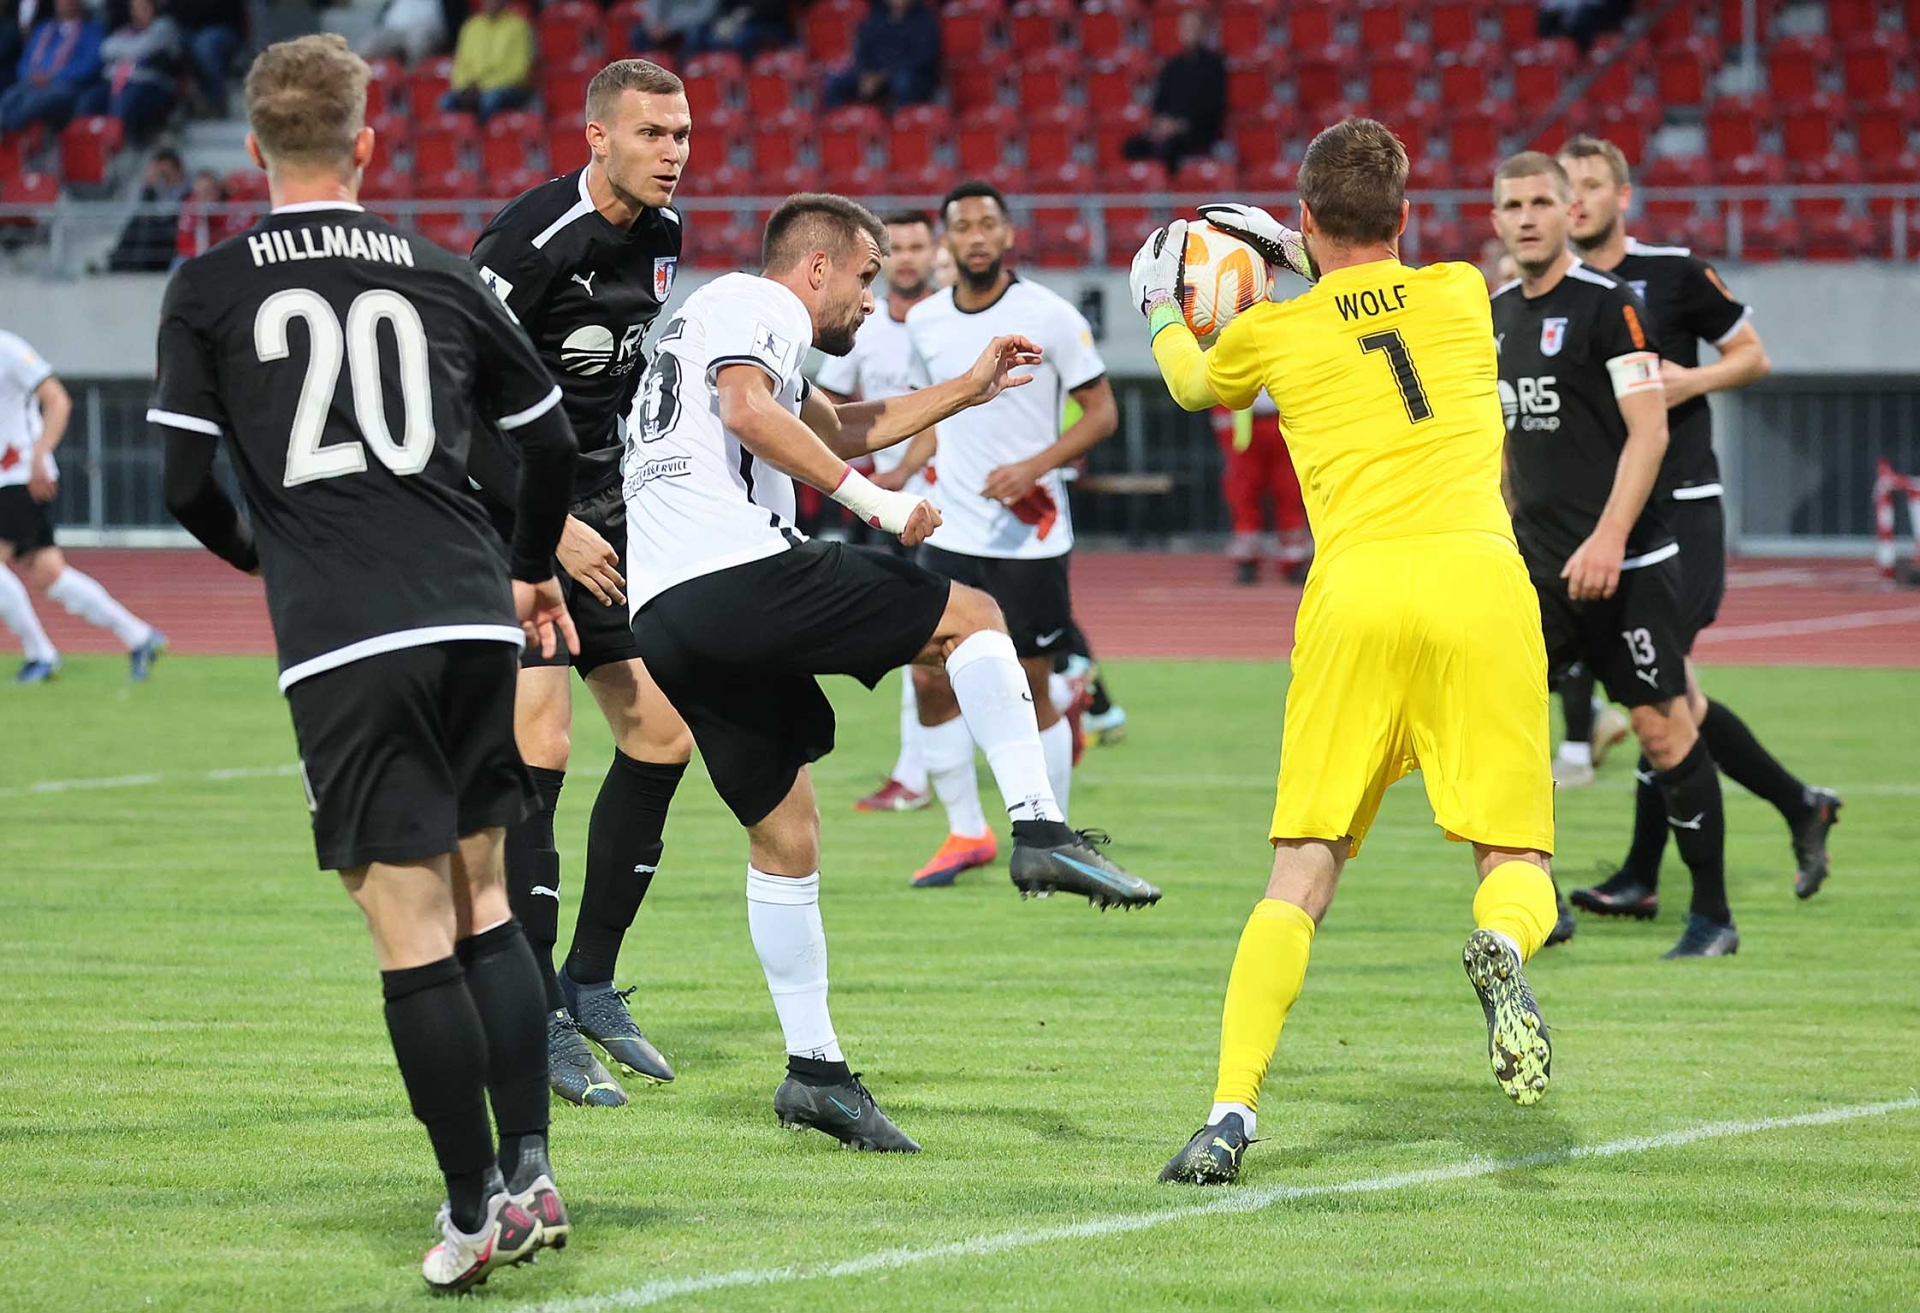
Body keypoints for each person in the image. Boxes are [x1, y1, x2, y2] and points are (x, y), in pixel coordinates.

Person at [148, 34, 580, 1294]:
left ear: (254, 150)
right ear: (369, 144)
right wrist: (530, 560)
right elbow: (544, 437)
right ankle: (533, 1167)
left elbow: (184, 480)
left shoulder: (210, 286)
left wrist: (269, 556)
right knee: (485, 896)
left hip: (349, 628)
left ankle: (469, 1208)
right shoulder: (443, 269)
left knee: (404, 925)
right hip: (468, 613)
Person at [620, 192, 1160, 1150]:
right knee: (973, 616)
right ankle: (1039, 827)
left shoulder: (716, 319)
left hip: (666, 614)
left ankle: (815, 1072)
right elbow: (751, 411)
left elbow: (837, 422)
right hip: (734, 570)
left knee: (787, 835)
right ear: (817, 267)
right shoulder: (763, 302)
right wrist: (874, 505)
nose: (874, 302)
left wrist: (967, 387)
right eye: (866, 278)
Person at [1134, 117, 1559, 1185]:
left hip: (1357, 592)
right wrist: (1300, 242)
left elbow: (1193, 387)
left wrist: (1158, 307)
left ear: (1311, 216)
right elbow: (1374, 279)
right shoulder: (1463, 289)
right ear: (1407, 216)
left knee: (1300, 872)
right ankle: (1503, 950)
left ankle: (1230, 1111)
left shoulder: (1274, 331)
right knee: (1515, 863)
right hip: (1478, 579)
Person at [464, 57, 693, 1107]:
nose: (674, 153)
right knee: (542, 743)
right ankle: (539, 1017)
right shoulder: (527, 240)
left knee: (659, 734)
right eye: (653, 134)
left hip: (604, 524)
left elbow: (614, 393)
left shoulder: (661, 238)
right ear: (596, 135)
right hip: (513, 528)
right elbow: (457, 398)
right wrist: (545, 526)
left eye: (683, 134)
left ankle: (588, 978)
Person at [1555, 134, 1842, 908]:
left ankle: (1647, 878)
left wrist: (1686, 381)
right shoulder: (1561, 292)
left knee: (1662, 698)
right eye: (1564, 186)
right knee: (1672, 698)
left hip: (1683, 508)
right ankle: (1798, 804)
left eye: (1589, 184)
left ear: (1623, 197)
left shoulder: (1672, 274)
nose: (1575, 198)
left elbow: (1753, 355)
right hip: (1616, 516)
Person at [1491, 151, 1738, 961]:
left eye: (1539, 202)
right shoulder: (1492, 315)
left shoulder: (1611, 305)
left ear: (1570, 212)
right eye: (1510, 204)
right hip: (1537, 572)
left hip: (1628, 566)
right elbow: (1501, 442)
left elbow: (1650, 429)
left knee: (1661, 729)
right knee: (1508, 734)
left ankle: (1712, 916)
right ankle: (1540, 901)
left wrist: (1606, 538)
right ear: (1495, 219)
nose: (1525, 216)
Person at [902, 180, 1121, 888]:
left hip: (1031, 538)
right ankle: (967, 831)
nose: (973, 235)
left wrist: (1035, 465)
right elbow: (926, 412)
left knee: (1031, 688)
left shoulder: (1049, 316)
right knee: (930, 682)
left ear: (1006, 236)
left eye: (986, 223)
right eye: (960, 224)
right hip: (953, 529)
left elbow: (1101, 413)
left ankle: (1047, 832)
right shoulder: (926, 321)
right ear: (947, 240)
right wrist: (897, 479)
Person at [813, 207, 941, 815]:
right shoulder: (862, 326)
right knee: (926, 635)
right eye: (901, 248)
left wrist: (897, 475)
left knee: (949, 632)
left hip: (940, 498)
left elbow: (944, 413)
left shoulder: (949, 324)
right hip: (890, 504)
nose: (911, 258)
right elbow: (827, 408)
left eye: (920, 245)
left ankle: (1074, 692)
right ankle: (916, 773)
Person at [0, 328, 165, 683]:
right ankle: (139, 636)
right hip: (9, 479)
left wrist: (40, 455)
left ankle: (41, 655)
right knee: (48, 573)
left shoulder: (8, 349)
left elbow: (57, 399)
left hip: (19, 476)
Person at [1213, 393, 1310, 585]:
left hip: (1283, 422)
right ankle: (1247, 560)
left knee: (1289, 492)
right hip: (1246, 426)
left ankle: (1293, 559)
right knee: (1244, 495)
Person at [1121, 9, 1225, 174]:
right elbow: (1159, 101)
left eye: (1193, 27)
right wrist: (1161, 124)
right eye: (1185, 28)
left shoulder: (1214, 65)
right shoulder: (1172, 65)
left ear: (1204, 31)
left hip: (1197, 129)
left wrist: (1180, 125)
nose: (1188, 32)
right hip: (1168, 128)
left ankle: (1169, 193)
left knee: (1168, 149)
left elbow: (1213, 104)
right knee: (1132, 146)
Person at [0, 0, 102, 135]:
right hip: (33, 81)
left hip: (65, 84)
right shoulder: (43, 28)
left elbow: (90, 64)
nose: (65, 3)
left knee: (34, 102)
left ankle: (8, 130)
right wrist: (30, 75)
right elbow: (25, 60)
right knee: (8, 97)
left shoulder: (92, 31)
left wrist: (53, 76)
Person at [80, 0, 180, 139]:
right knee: (89, 100)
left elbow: (143, 47)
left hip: (151, 83)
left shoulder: (164, 26)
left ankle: (116, 144)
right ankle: (87, 142)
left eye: (143, 7)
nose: (138, 12)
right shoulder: (126, 30)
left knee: (123, 100)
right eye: (135, 8)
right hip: (116, 82)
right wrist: (130, 53)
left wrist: (123, 53)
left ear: (154, 8)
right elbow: (105, 49)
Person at [823, 0, 940, 110]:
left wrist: (883, 76)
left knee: (903, 82)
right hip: (873, 73)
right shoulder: (875, 16)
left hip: (909, 76)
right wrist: (865, 72)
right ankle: (837, 126)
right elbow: (863, 49)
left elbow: (922, 58)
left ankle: (900, 126)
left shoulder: (925, 19)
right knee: (834, 82)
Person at [440, 0, 533, 122]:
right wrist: (466, 86)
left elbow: (519, 71)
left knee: (490, 100)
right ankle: (461, 138)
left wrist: (484, 87)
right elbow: (460, 66)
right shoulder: (471, 27)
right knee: (446, 102)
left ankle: (484, 139)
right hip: (473, 88)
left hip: (508, 88)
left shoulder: (519, 27)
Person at [106, 147, 188, 272]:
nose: (163, 176)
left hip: (175, 230)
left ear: (177, 169)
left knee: (146, 228)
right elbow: (145, 209)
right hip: (158, 229)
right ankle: (117, 262)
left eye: (166, 172)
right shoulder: (158, 190)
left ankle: (132, 266)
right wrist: (148, 187)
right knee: (136, 222)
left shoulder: (187, 189)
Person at [170, 0, 243, 108]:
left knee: (204, 45)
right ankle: (176, 102)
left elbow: (221, 9)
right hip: (189, 29)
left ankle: (216, 99)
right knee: (170, 40)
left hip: (222, 27)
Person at [357, 0, 446, 65]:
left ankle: (411, 83)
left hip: (425, 28)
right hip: (394, 27)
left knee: (417, 41)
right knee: (368, 45)